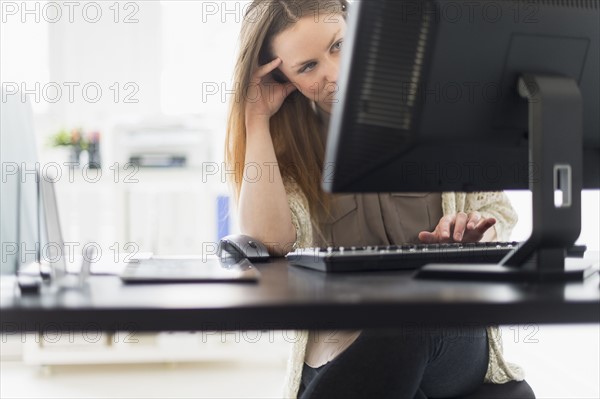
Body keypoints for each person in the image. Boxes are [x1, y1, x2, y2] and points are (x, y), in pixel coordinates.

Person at [225, 1, 524, 398]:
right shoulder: (291, 144)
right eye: (307, 67)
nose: (335, 74)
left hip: (447, 331)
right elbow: (270, 242)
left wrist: (475, 234)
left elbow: (499, 213)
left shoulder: (439, 102)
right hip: (342, 341)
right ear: (283, 77)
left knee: (413, 318)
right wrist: (256, 118)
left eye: (338, 45)